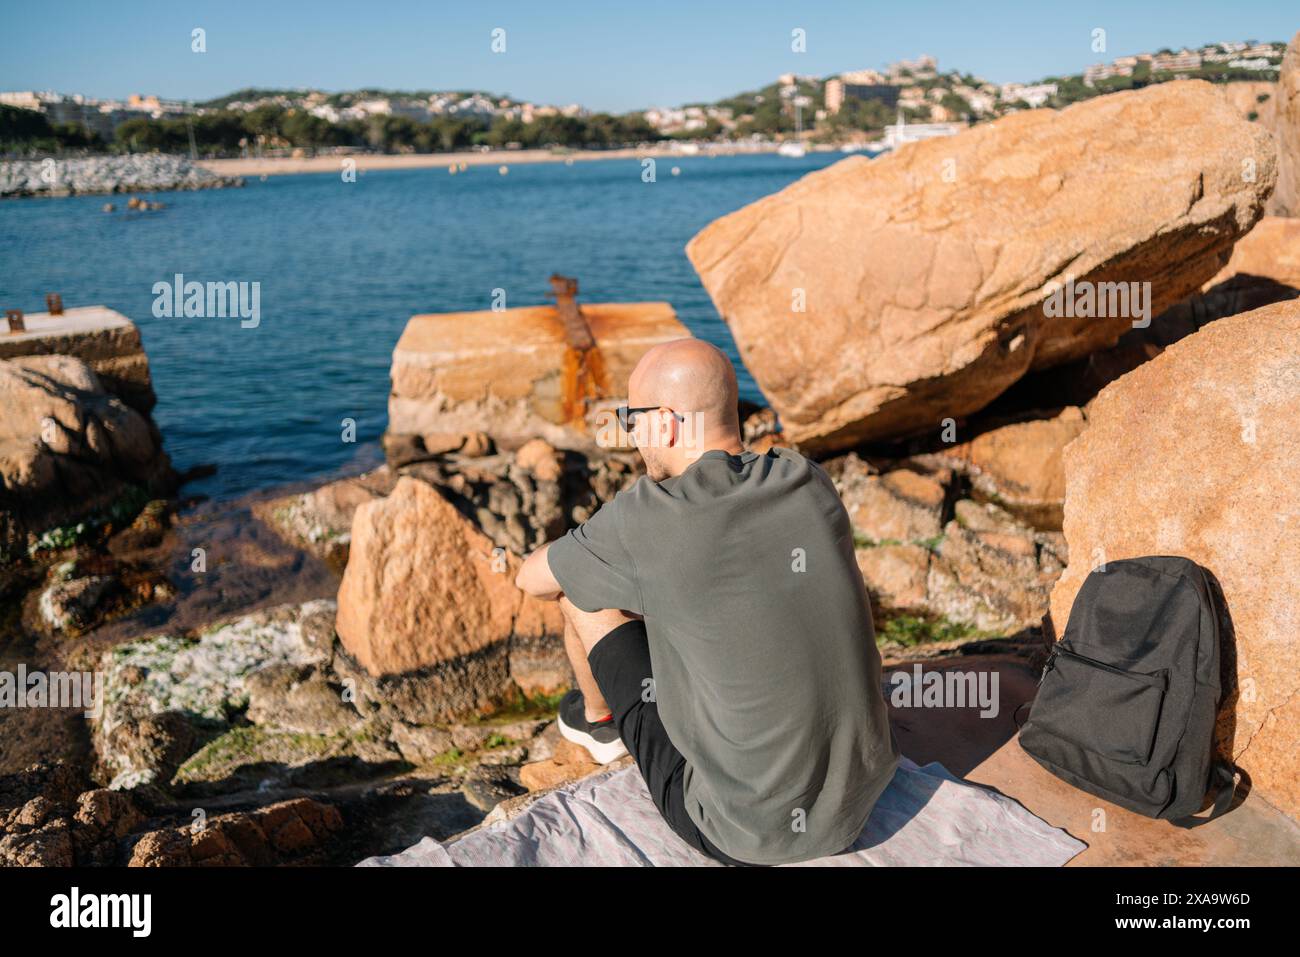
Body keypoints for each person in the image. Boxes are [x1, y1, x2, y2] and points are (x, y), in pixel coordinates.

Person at [515, 338, 898, 866]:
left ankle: (600, 725)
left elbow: (532, 579)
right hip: (860, 801)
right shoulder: (808, 479)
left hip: (745, 833)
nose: (629, 433)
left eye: (632, 418)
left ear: (666, 424)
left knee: (580, 593)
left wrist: (588, 542)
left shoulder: (648, 516)